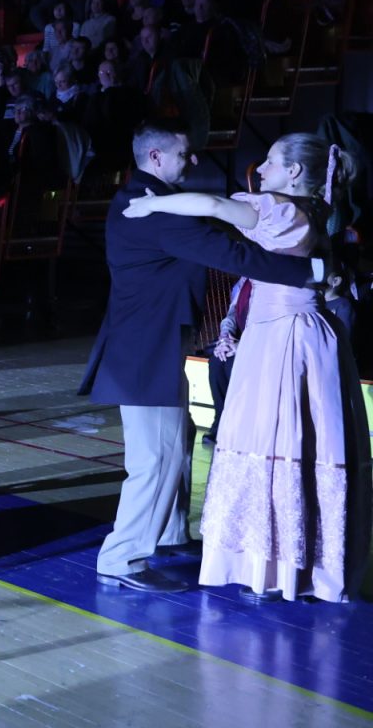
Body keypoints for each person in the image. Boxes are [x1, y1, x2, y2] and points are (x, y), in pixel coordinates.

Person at [123, 134, 370, 602]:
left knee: (278, 443)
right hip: (293, 332)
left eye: (272, 161)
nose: (262, 169)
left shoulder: (282, 211)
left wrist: (150, 205)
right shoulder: (315, 208)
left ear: (294, 172)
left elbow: (214, 206)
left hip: (284, 338)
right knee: (299, 445)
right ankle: (297, 566)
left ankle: (274, 569)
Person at [79, 123, 321, 593]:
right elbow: (231, 254)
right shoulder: (154, 210)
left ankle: (170, 533)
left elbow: (214, 224)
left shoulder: (148, 199)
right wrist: (310, 269)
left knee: (178, 442)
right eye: (184, 154)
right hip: (145, 351)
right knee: (157, 458)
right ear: (155, 157)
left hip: (147, 345)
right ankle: (122, 557)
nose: (193, 161)